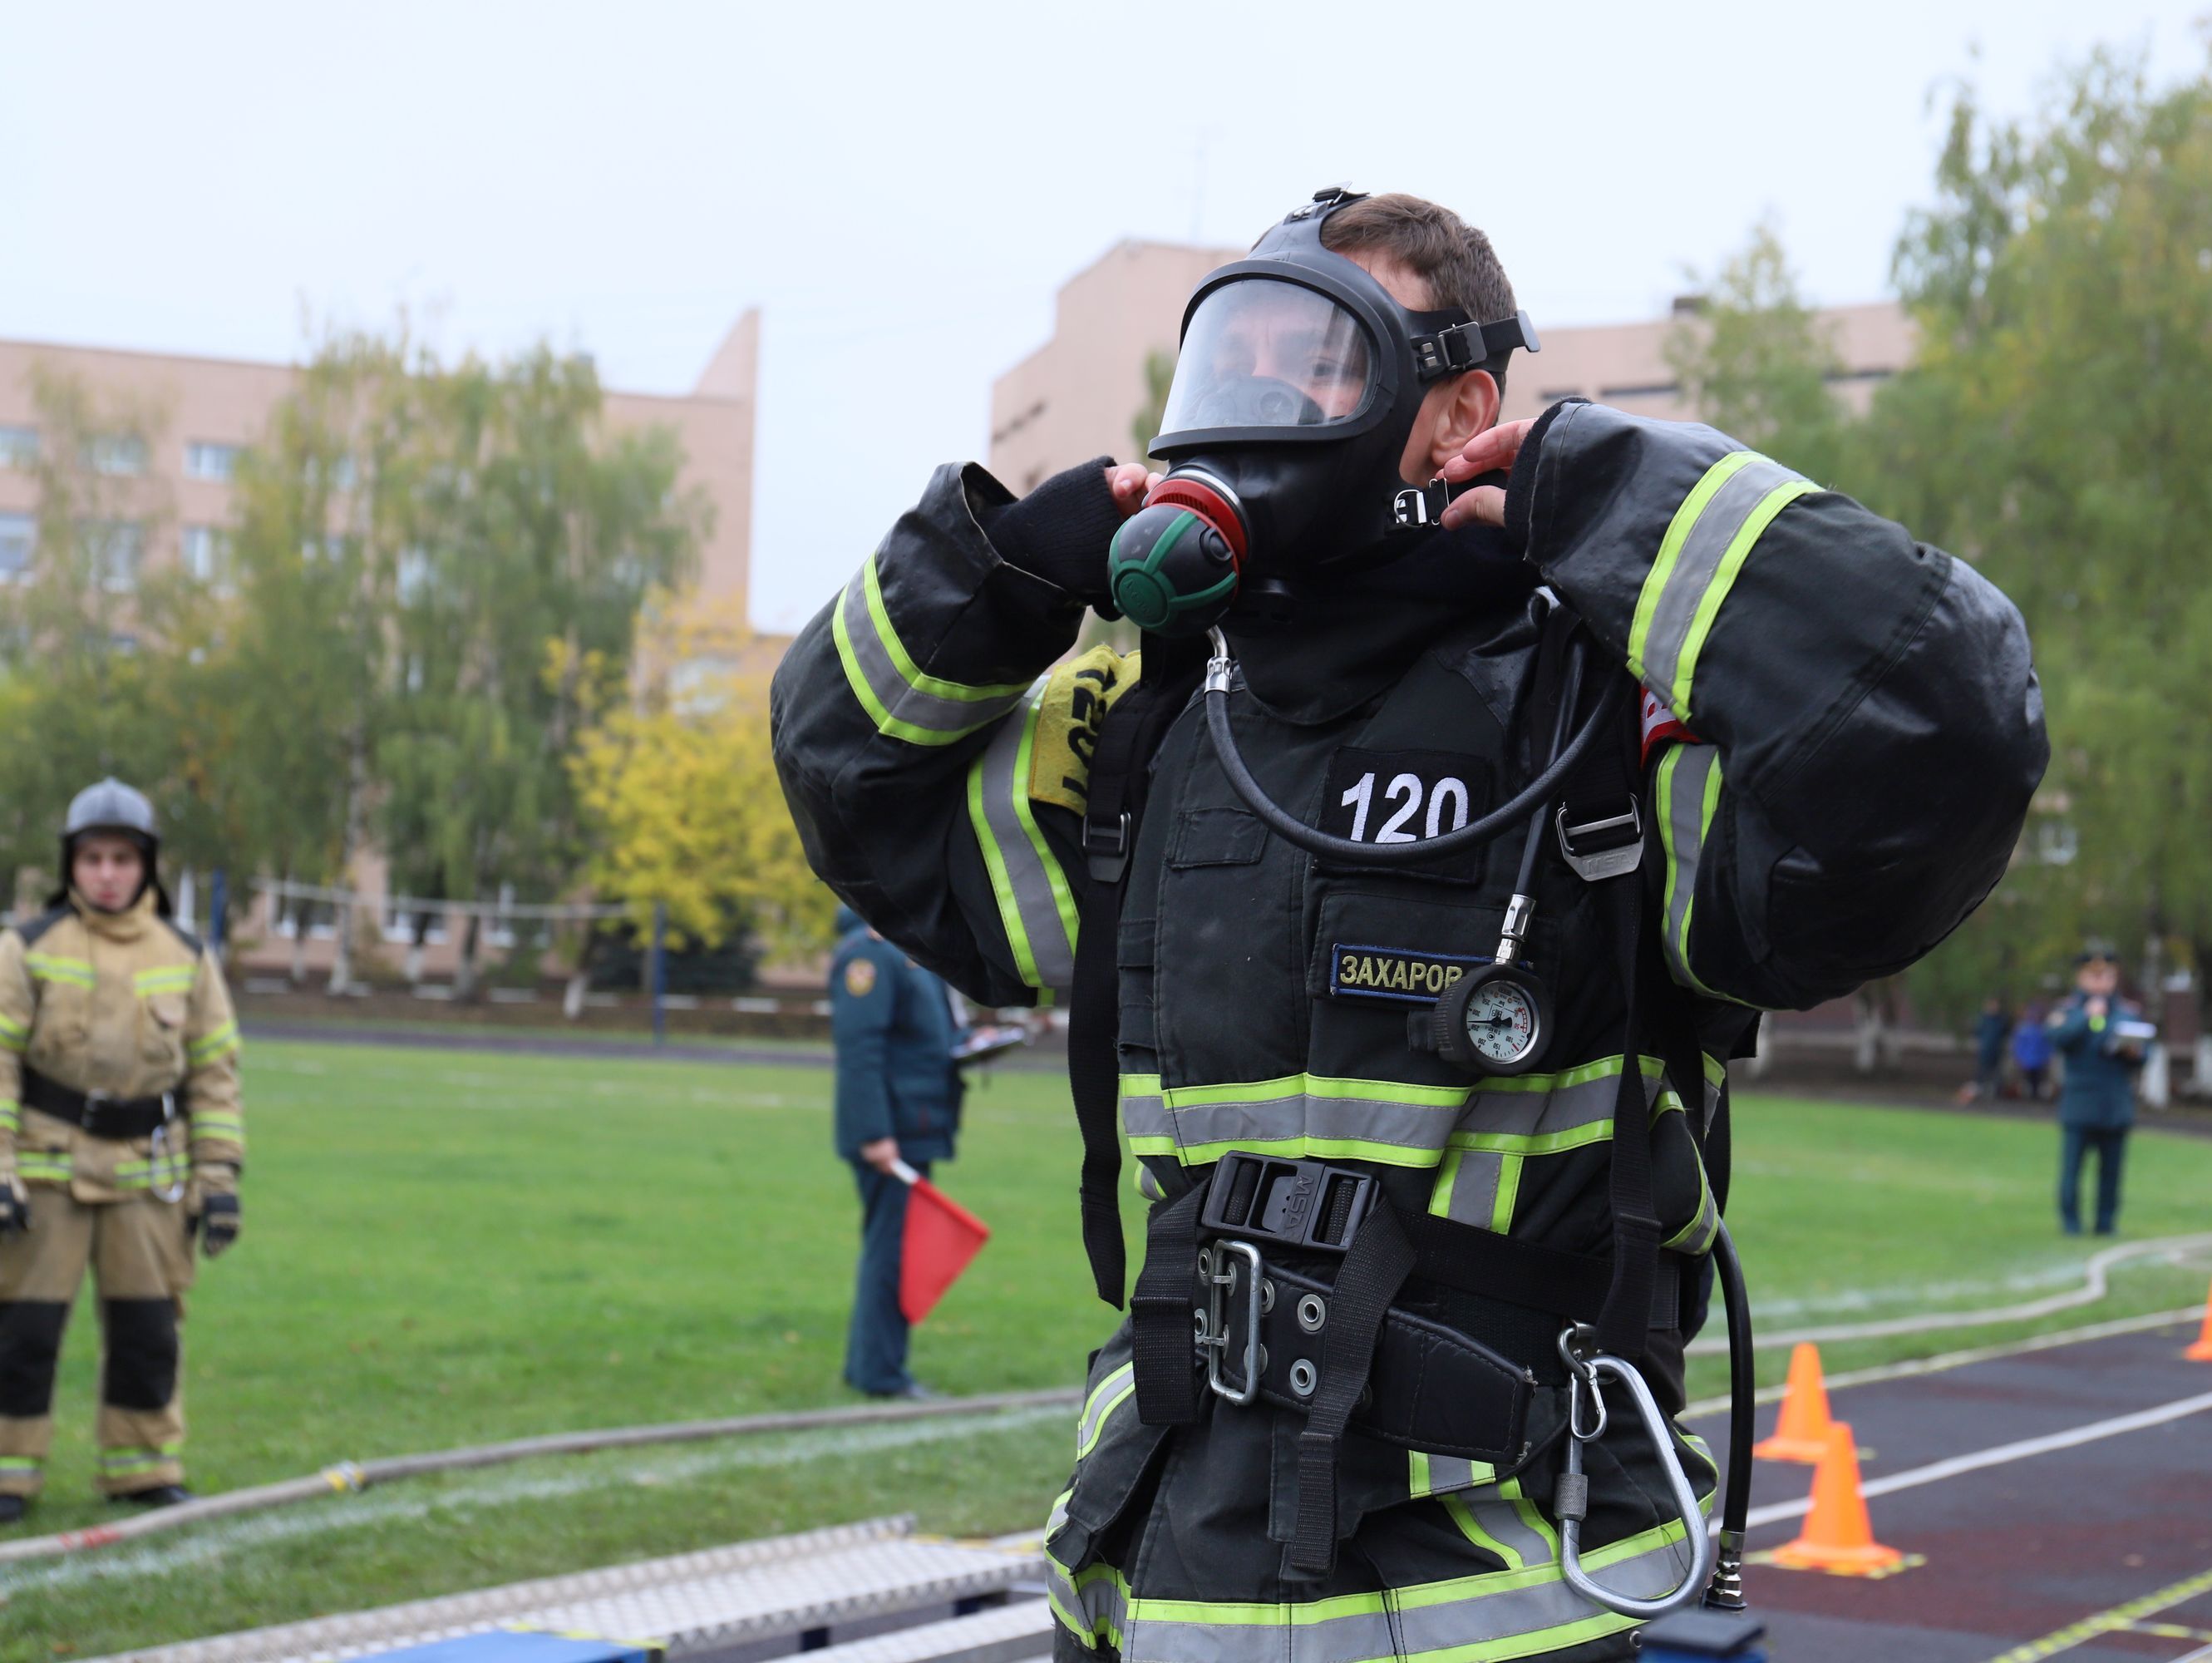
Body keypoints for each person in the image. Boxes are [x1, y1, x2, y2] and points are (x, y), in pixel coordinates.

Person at [772, 190, 2045, 1658]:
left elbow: (1946, 724)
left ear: (1461, 411)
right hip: (1148, 1602)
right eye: (1227, 360)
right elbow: (848, 790)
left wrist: (1625, 501)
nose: (1252, 403)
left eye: (1309, 360)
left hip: (1496, 1620)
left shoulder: (1600, 728)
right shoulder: (1162, 736)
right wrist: (988, 579)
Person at [0, 779, 244, 1522]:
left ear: (148, 867)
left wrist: (220, 1179)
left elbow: (215, 1075)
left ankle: (143, 1470)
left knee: (147, 1333)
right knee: (22, 1335)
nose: (108, 873)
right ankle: (8, 1476)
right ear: (71, 865)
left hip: (148, 1182)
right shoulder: (28, 948)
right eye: (94, 858)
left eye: (123, 859)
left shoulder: (187, 956)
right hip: (47, 1176)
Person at [829, 903, 962, 1399]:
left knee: (895, 1250)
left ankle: (871, 1364)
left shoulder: (906, 956)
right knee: (891, 1253)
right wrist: (874, 1135)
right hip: (891, 1136)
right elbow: (860, 1051)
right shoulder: (870, 958)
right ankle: (879, 1374)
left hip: (915, 1127)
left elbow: (924, 1040)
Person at [2047, 944, 2146, 1236]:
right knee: (2072, 1170)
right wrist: (2086, 1016)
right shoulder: (2068, 1010)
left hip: (2114, 1104)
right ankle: (2071, 1223)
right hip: (2080, 1103)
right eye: (2094, 976)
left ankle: (2106, 1222)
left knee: (2111, 1173)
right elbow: (2058, 1038)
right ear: (2081, 978)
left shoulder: (2128, 1013)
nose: (2101, 982)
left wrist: (2134, 1053)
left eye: (2107, 976)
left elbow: (2144, 1053)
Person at [1960, 995, 2011, 1103]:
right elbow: (1977, 1032)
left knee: (1997, 1075)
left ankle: (1995, 1096)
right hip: (1985, 1052)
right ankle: (1976, 1095)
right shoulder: (1983, 1019)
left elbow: (2005, 1032)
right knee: (1981, 1074)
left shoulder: (2001, 1020)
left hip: (1996, 1053)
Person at [2013, 999, 2055, 1100]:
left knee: (2037, 1080)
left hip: (2039, 1060)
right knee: (2026, 1080)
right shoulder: (2024, 1029)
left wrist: (2047, 1057)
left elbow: (2048, 1045)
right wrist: (2019, 1057)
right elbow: (2019, 1045)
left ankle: (2035, 1097)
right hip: (2027, 1059)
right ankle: (2026, 1097)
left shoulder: (2043, 1029)